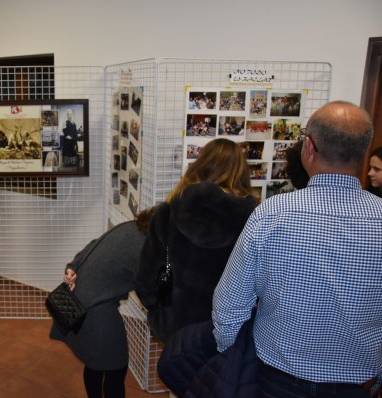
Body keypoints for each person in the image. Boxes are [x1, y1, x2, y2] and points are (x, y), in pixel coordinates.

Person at [213, 101, 382, 398]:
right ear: (364, 152)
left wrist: (230, 351)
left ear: (308, 148)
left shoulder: (271, 214)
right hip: (357, 381)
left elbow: (230, 302)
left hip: (276, 375)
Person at [135, 138, 257, 344]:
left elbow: (146, 277)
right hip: (229, 327)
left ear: (200, 164)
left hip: (175, 325)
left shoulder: (168, 212)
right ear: (242, 171)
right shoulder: (255, 219)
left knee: (178, 372)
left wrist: (160, 313)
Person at [49, 207, 155, 398]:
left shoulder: (128, 226)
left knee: (95, 364)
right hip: (95, 311)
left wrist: (72, 267)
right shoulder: (146, 246)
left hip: (78, 300)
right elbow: (147, 290)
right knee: (116, 368)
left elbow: (92, 245)